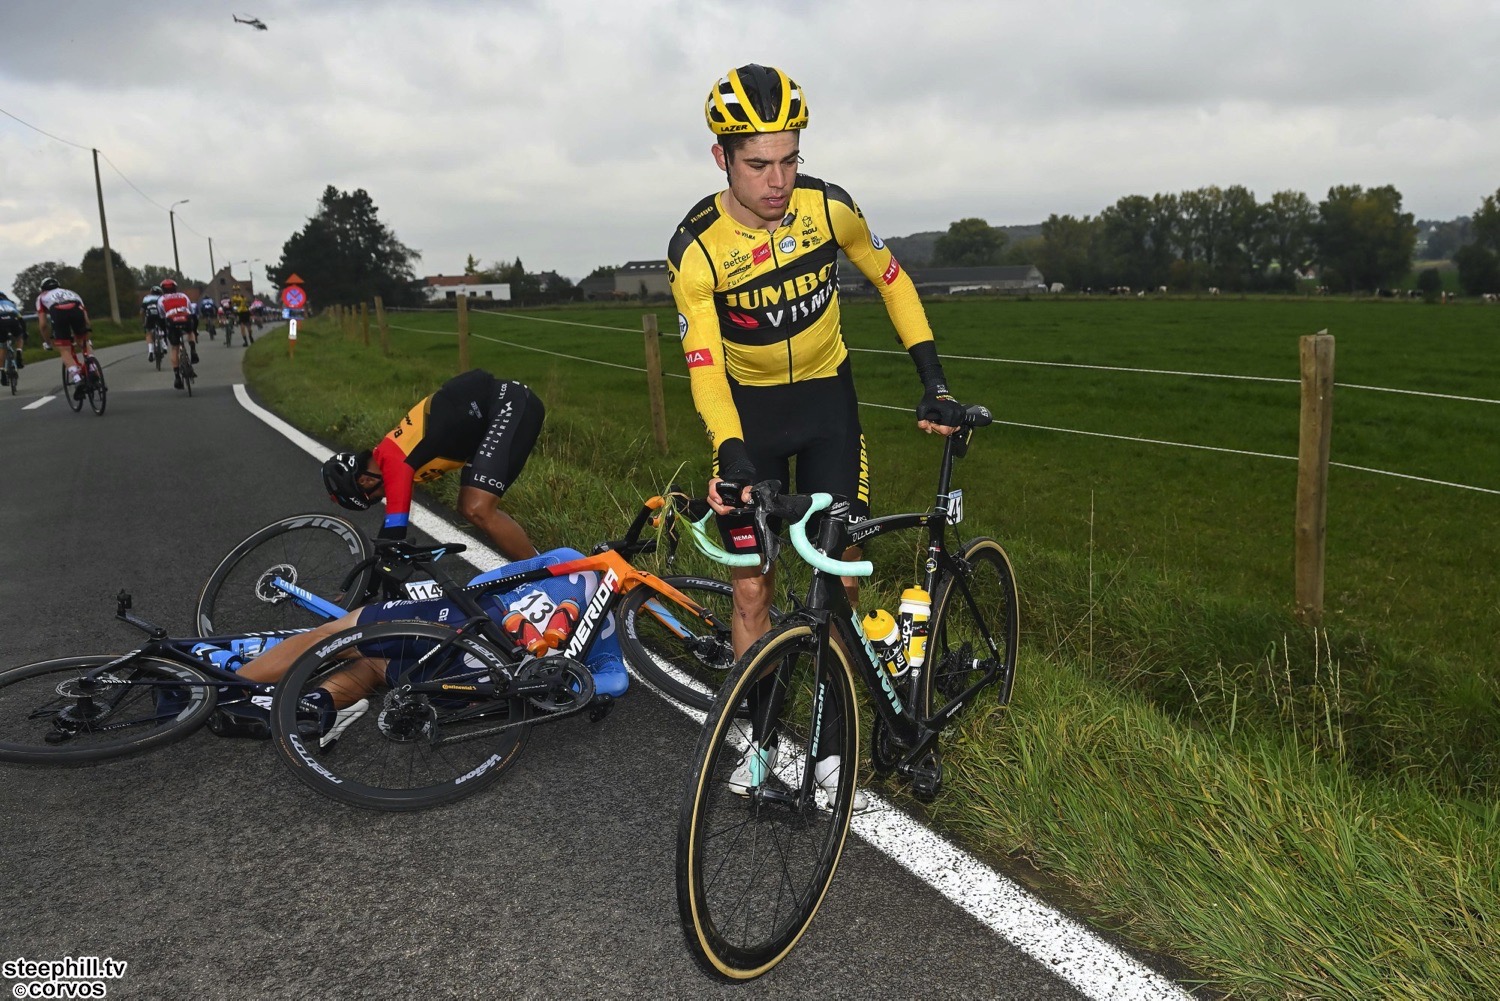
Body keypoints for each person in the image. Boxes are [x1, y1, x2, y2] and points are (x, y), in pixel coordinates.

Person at [667, 64, 968, 808]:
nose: (778, 181)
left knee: (836, 574)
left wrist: (932, 379)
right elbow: (705, 367)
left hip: (828, 404)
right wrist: (731, 451)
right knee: (752, 588)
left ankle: (833, 750)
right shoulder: (697, 250)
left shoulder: (828, 209)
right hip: (749, 418)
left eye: (790, 159)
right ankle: (760, 742)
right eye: (758, 164)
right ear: (721, 158)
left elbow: (892, 279)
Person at [218, 546, 627, 737]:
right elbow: (616, 680)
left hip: (464, 622)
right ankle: (315, 703)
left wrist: (491, 609)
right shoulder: (607, 636)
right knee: (374, 669)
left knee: (336, 635)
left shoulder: (571, 563)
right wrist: (559, 685)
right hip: (482, 680)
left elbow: (489, 580)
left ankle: (226, 689)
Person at [322, 369, 545, 561]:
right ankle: (541, 564)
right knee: (468, 506)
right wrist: (369, 584)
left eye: (375, 497)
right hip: (493, 411)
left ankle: (545, 573)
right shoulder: (389, 453)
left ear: (366, 481)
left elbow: (394, 531)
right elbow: (389, 536)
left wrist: (369, 582)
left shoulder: (395, 462)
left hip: (509, 404)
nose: (386, 496)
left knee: (478, 508)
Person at [34, 277, 94, 392]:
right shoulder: (72, 293)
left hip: (58, 312)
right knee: (83, 342)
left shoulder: (41, 297)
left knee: (65, 349)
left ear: (43, 289)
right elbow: (86, 320)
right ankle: (92, 367)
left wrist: (48, 342)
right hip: (76, 310)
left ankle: (77, 378)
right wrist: (86, 337)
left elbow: (43, 325)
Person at [156, 279, 200, 389]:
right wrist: (195, 330)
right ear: (175, 288)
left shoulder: (161, 299)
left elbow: (161, 317)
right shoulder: (183, 296)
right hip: (185, 317)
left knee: (175, 348)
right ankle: (193, 350)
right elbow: (191, 311)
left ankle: (177, 377)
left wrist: (165, 333)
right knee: (190, 331)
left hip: (171, 320)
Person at [0, 292, 25, 387]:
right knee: (19, 337)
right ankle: (19, 352)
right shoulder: (10, 303)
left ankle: (2, 372)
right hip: (12, 319)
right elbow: (20, 319)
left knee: (2, 347)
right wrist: (24, 332)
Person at [141, 285, 163, 363]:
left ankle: (150, 351)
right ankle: (164, 345)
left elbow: (142, 311)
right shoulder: (161, 298)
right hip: (159, 316)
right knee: (163, 328)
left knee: (149, 332)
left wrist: (143, 322)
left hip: (149, 316)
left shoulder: (146, 298)